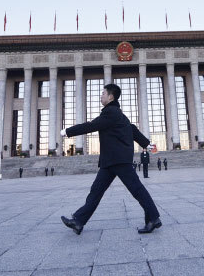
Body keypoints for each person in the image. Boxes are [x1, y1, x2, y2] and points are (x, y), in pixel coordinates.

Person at [60, 83, 161, 235]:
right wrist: (146, 143)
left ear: (110, 96)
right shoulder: (118, 114)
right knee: (96, 192)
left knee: (137, 189)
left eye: (103, 94)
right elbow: (132, 128)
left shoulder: (111, 113)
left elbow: (91, 126)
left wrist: (67, 131)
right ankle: (78, 222)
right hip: (111, 161)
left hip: (118, 160)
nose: (101, 96)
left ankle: (153, 218)